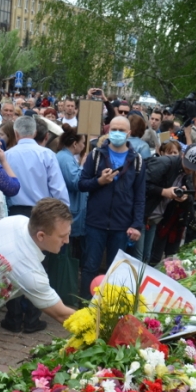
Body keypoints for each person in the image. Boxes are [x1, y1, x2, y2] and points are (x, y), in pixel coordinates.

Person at [0, 199, 77, 388]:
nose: (67, 241)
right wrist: (101, 325)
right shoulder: (28, 269)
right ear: (41, 235)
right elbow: (62, 314)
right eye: (63, 236)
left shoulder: (17, 220)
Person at [4, 116, 70, 332]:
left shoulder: (7, 156)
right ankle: (32, 318)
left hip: (14, 211)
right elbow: (58, 190)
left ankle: (13, 318)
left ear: (16, 133)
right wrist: (63, 217)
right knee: (40, 266)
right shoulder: (47, 155)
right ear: (35, 133)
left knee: (12, 265)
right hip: (43, 213)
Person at [78, 116, 145, 300]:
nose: (117, 133)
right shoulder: (96, 155)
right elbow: (82, 184)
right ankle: (85, 306)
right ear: (108, 131)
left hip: (121, 225)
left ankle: (108, 308)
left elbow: (139, 196)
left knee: (115, 271)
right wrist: (99, 181)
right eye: (114, 129)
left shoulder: (137, 160)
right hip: (96, 223)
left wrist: (137, 224)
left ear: (129, 134)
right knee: (90, 266)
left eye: (122, 130)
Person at [143, 146, 196, 265]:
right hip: (143, 214)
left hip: (156, 218)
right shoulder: (165, 163)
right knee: (138, 256)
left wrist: (184, 197)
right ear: (182, 155)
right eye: (188, 166)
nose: (189, 170)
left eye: (193, 168)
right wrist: (164, 191)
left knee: (146, 257)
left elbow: (190, 197)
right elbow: (141, 184)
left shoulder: (188, 172)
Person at [55, 124, 87, 256]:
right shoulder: (66, 159)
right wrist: (83, 165)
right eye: (83, 143)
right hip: (71, 208)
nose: (84, 146)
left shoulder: (65, 157)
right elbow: (75, 181)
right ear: (75, 144)